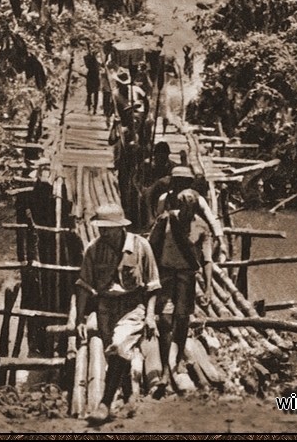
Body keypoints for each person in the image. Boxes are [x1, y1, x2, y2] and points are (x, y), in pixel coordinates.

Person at [75, 204, 161, 423]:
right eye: (100, 228)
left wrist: (150, 316)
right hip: (105, 308)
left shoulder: (141, 246)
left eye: (108, 228)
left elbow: (152, 285)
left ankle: (104, 404)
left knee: (119, 345)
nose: (103, 232)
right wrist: (80, 319)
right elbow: (84, 285)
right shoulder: (93, 249)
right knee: (115, 354)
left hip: (132, 307)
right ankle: (130, 396)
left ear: (121, 228)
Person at [148, 189, 212, 389]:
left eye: (190, 207)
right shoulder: (166, 221)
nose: (185, 210)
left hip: (187, 277)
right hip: (166, 275)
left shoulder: (202, 227)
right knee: (166, 319)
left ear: (195, 208)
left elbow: (207, 260)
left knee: (182, 319)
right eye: (182, 205)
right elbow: (150, 248)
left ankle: (177, 360)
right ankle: (167, 367)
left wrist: (208, 288)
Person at [153, 166, 228, 261]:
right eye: (178, 181)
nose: (180, 185)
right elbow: (159, 222)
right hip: (171, 239)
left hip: (193, 238)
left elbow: (212, 220)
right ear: (173, 182)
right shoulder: (164, 199)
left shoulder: (197, 199)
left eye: (184, 182)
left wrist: (221, 243)